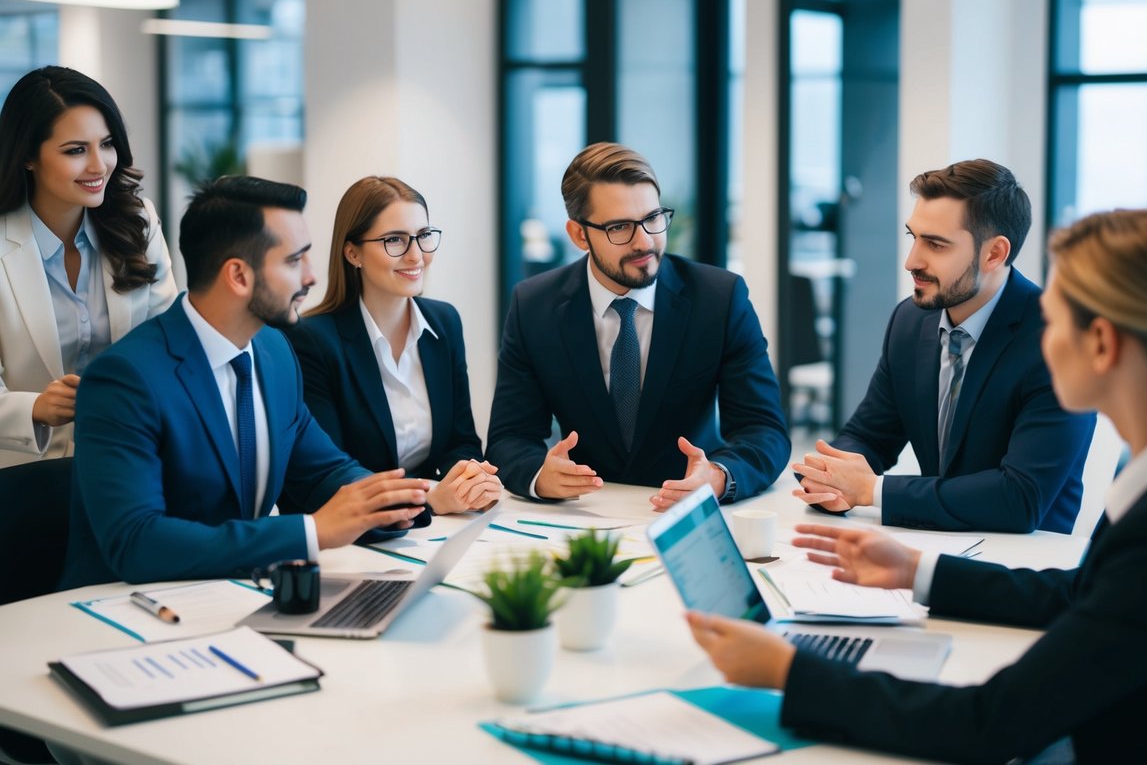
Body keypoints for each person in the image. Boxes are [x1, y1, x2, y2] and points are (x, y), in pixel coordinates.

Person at [687, 209, 1147, 763]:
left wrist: (789, 671)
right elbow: (1079, 595)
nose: (1044, 337)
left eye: (1055, 321)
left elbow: (990, 722)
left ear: (1102, 343)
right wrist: (917, 571)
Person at [60, 176, 431, 588]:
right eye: (294, 261)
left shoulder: (275, 353)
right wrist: (312, 532)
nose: (311, 277)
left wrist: (404, 500)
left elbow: (324, 471)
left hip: (236, 596)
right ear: (238, 275)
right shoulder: (125, 379)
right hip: (123, 615)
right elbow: (136, 542)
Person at [794, 159, 1094, 532]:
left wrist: (873, 490)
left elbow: (1019, 499)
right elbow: (870, 435)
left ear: (995, 254)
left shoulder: (1059, 341)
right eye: (913, 237)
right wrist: (831, 476)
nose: (911, 261)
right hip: (933, 546)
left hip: (1025, 565)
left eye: (935, 244)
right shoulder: (910, 320)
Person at [486, 142, 789, 509]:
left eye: (653, 218)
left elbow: (764, 430)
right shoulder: (534, 305)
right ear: (579, 234)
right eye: (619, 227)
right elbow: (510, 436)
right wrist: (539, 476)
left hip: (688, 514)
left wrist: (720, 476)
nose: (644, 241)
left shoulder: (719, 299)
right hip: (583, 515)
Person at [287, 176, 501, 524]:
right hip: (356, 536)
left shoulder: (444, 323)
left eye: (423, 237)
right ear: (353, 253)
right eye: (395, 240)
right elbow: (331, 473)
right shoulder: (312, 341)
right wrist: (432, 496)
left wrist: (469, 480)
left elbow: (460, 441)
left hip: (436, 529)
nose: (416, 255)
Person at [0, 66, 177, 469]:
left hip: (127, 461)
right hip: (20, 474)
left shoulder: (139, 223)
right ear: (28, 156)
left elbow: (168, 345)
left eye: (108, 144)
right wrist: (36, 408)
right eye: (76, 150)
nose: (100, 165)